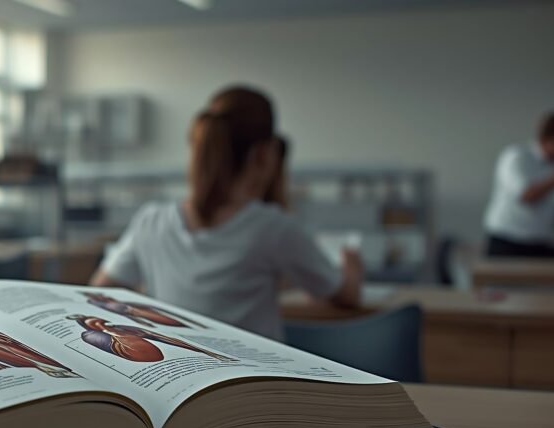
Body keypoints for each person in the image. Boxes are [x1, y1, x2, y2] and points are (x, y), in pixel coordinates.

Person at [89, 86, 362, 341]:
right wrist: (352, 262)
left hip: (179, 382)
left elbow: (100, 290)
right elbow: (345, 295)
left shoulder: (151, 221)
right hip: (252, 385)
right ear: (264, 154)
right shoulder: (272, 227)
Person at [483, 111, 554, 257]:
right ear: (546, 139)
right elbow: (527, 196)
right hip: (508, 242)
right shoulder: (516, 157)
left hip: (543, 242)